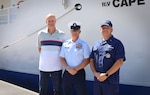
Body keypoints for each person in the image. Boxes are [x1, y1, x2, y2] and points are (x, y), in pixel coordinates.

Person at [90, 20, 126, 95]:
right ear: (100, 30)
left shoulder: (117, 43)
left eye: (107, 27)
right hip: (98, 80)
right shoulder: (96, 44)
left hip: (110, 81)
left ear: (111, 29)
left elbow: (119, 61)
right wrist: (95, 73)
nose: (105, 29)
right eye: (103, 28)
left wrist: (106, 74)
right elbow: (91, 60)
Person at [37, 13, 66, 95]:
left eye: (52, 20)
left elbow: (63, 50)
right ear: (46, 22)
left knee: (57, 90)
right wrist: (46, 58)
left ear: (55, 21)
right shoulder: (40, 34)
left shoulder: (62, 34)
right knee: (42, 90)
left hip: (57, 67)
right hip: (43, 67)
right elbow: (39, 48)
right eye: (49, 21)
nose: (51, 22)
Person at [59, 21, 90, 95]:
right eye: (73, 30)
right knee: (66, 92)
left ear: (79, 31)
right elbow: (61, 58)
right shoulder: (65, 44)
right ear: (70, 31)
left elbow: (87, 60)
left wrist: (76, 69)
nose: (74, 32)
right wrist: (68, 68)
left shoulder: (84, 44)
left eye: (76, 30)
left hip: (79, 73)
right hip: (67, 72)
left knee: (81, 93)